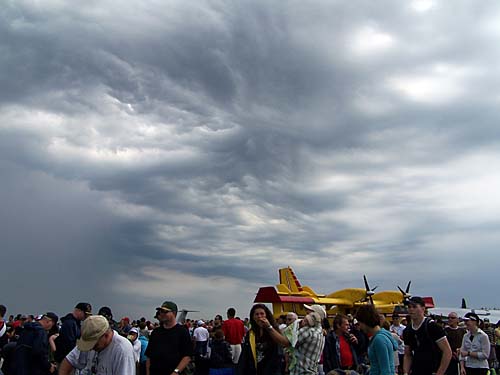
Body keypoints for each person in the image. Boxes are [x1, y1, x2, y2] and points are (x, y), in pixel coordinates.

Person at [59, 315, 136, 375]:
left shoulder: (123, 350)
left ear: (106, 335)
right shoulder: (90, 340)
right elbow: (69, 361)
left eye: (94, 344)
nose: (91, 348)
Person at [403, 296, 452, 375]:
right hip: (417, 370)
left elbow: (447, 352)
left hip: (434, 370)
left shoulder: (432, 326)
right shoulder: (407, 330)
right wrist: (405, 372)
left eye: (414, 307)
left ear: (423, 308)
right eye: (409, 307)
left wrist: (440, 373)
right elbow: (407, 354)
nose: (411, 309)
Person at [145, 301, 192, 375]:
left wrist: (175, 372)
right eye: (160, 311)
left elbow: (187, 356)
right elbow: (149, 356)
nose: (161, 313)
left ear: (173, 313)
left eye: (165, 311)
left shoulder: (182, 332)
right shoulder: (155, 332)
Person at [236, 304, 282, 375]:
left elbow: (282, 344)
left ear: (267, 315)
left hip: (271, 369)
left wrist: (268, 327)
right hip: (255, 369)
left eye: (262, 314)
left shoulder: (273, 330)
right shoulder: (251, 333)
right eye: (256, 314)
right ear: (253, 317)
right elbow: (245, 355)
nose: (259, 316)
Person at [356, 305, 398, 375]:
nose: (360, 327)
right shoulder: (382, 336)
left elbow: (385, 370)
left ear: (365, 321)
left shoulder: (379, 340)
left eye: (360, 323)